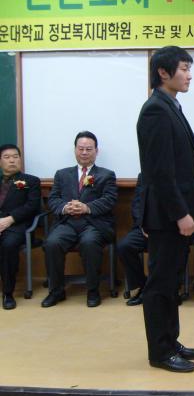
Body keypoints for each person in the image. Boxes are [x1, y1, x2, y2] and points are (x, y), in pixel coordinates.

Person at [136, 46, 194, 373]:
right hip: (167, 216)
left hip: (175, 212)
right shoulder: (155, 111)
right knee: (160, 284)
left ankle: (170, 340)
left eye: (190, 69)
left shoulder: (170, 105)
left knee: (171, 280)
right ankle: (159, 352)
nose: (189, 76)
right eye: (184, 69)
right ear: (163, 72)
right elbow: (160, 172)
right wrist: (181, 213)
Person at [42, 131, 117, 308]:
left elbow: (109, 200)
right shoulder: (62, 174)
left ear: (96, 151)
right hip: (67, 223)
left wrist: (86, 207)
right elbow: (53, 199)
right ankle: (56, 291)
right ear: (75, 150)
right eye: (81, 148)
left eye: (88, 149)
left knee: (89, 243)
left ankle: (93, 291)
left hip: (93, 224)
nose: (84, 152)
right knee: (52, 243)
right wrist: (64, 207)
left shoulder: (106, 175)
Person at [0, 144, 41, 310]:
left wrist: (10, 219)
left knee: (8, 245)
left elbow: (32, 206)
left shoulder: (31, 181)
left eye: (15, 157)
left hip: (18, 226)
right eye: (7, 157)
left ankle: (8, 293)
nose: (12, 160)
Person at [116, 173, 147, 306]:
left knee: (174, 247)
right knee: (124, 246)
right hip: (145, 228)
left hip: (171, 229)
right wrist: (143, 225)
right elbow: (137, 204)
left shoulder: (181, 174)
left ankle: (168, 288)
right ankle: (144, 286)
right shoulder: (144, 175)